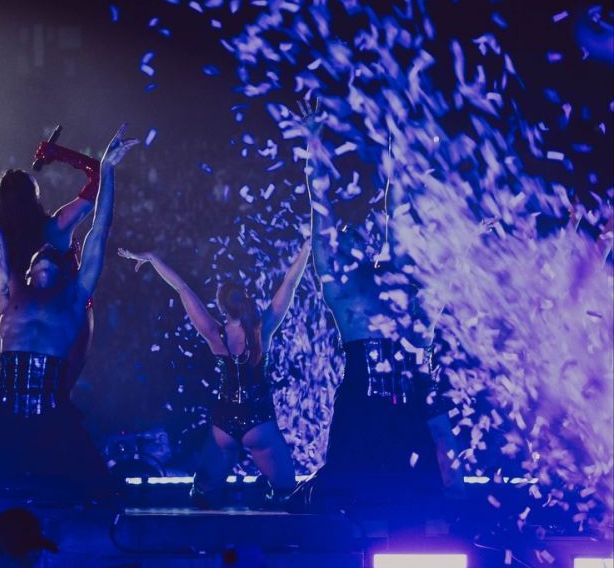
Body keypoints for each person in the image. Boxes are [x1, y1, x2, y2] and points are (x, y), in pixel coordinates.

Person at [0, 116, 137, 482]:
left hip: (54, 413)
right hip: (5, 410)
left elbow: (99, 231)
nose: (48, 251)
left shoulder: (73, 297)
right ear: (29, 271)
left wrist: (107, 170)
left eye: (54, 253)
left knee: (94, 494)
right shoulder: (9, 292)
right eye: (42, 254)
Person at [303, 117, 442, 511]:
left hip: (405, 400)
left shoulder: (393, 275)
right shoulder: (339, 287)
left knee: (416, 501)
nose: (357, 234)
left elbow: (397, 210)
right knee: (349, 497)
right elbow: (320, 214)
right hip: (360, 401)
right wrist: (313, 145)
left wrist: (397, 150)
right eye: (347, 235)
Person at [118, 238, 310, 504]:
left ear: (221, 307)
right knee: (286, 493)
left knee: (203, 497)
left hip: (224, 423)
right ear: (245, 300)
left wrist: (153, 258)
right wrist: (307, 248)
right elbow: (289, 283)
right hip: (259, 420)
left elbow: (181, 288)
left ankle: (208, 524)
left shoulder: (213, 333)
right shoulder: (261, 331)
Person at [0, 125, 101, 394]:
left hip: (20, 323)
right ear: (34, 197)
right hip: (66, 316)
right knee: (58, 394)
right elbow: (100, 179)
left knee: (24, 392)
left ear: (0, 203)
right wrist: (58, 153)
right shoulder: (55, 228)